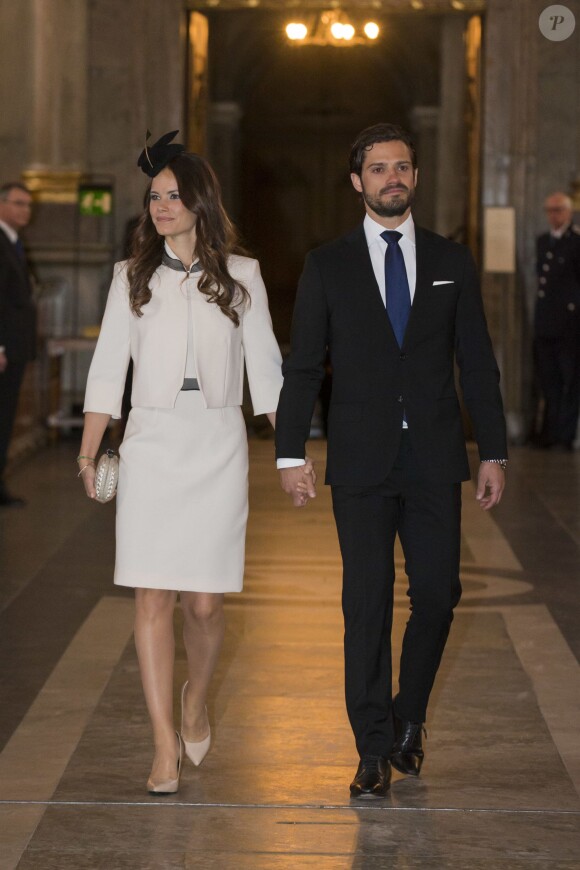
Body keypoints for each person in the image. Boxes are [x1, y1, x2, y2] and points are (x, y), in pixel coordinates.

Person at [275, 123, 508, 799]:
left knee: (439, 593)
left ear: (415, 177)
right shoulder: (328, 264)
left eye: (402, 167)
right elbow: (303, 365)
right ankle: (373, 748)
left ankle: (410, 714)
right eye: (378, 169)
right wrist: (292, 450)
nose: (392, 178)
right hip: (361, 461)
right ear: (358, 182)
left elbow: (479, 363)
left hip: (435, 457)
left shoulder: (450, 259)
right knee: (367, 605)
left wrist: (492, 448)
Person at [78, 131, 286, 795]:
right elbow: (109, 369)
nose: (161, 206)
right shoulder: (129, 277)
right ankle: (164, 744)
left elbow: (269, 374)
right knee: (151, 595)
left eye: (173, 195)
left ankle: (197, 700)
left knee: (201, 604)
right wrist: (89, 450)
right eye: (154, 197)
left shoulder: (244, 275)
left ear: (199, 202)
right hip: (151, 442)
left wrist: (291, 455)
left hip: (217, 442)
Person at [533, 192, 580, 450]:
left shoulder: (576, 242)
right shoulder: (543, 242)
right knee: (548, 380)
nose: (554, 215)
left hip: (569, 325)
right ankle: (549, 432)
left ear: (569, 212)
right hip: (545, 323)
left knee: (569, 381)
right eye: (550, 210)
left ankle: (565, 435)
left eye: (558, 210)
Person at [0, 182, 36, 507]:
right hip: (3, 348)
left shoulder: (14, 242)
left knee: (5, 415)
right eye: (19, 203)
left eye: (28, 204)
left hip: (14, 346)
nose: (26, 209)